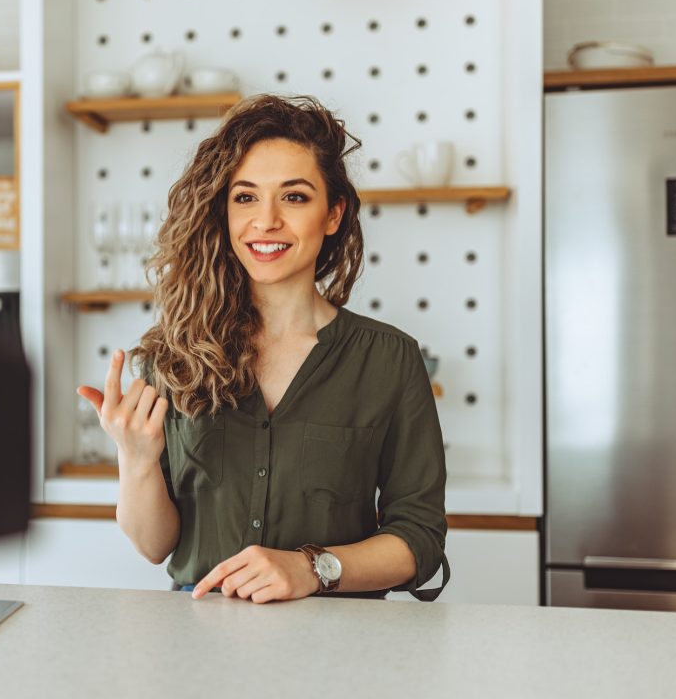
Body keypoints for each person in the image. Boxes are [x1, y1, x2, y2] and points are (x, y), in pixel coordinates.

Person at [77, 94, 449, 603]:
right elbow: (152, 544)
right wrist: (136, 460)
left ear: (334, 213)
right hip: (200, 640)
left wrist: (311, 568)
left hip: (340, 646)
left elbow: (420, 539)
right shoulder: (174, 355)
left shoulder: (390, 360)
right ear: (223, 213)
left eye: (294, 197)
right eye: (245, 197)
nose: (266, 220)